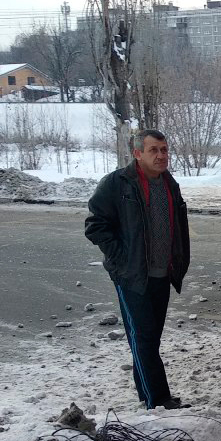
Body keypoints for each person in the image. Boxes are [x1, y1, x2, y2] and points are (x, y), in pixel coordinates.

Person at [84, 130, 190, 410]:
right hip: (132, 276)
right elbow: (95, 226)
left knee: (149, 339)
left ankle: (148, 394)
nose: (161, 156)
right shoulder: (118, 184)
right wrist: (122, 259)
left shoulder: (169, 183)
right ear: (137, 153)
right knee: (143, 338)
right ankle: (158, 399)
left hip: (162, 273)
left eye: (164, 149)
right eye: (154, 150)